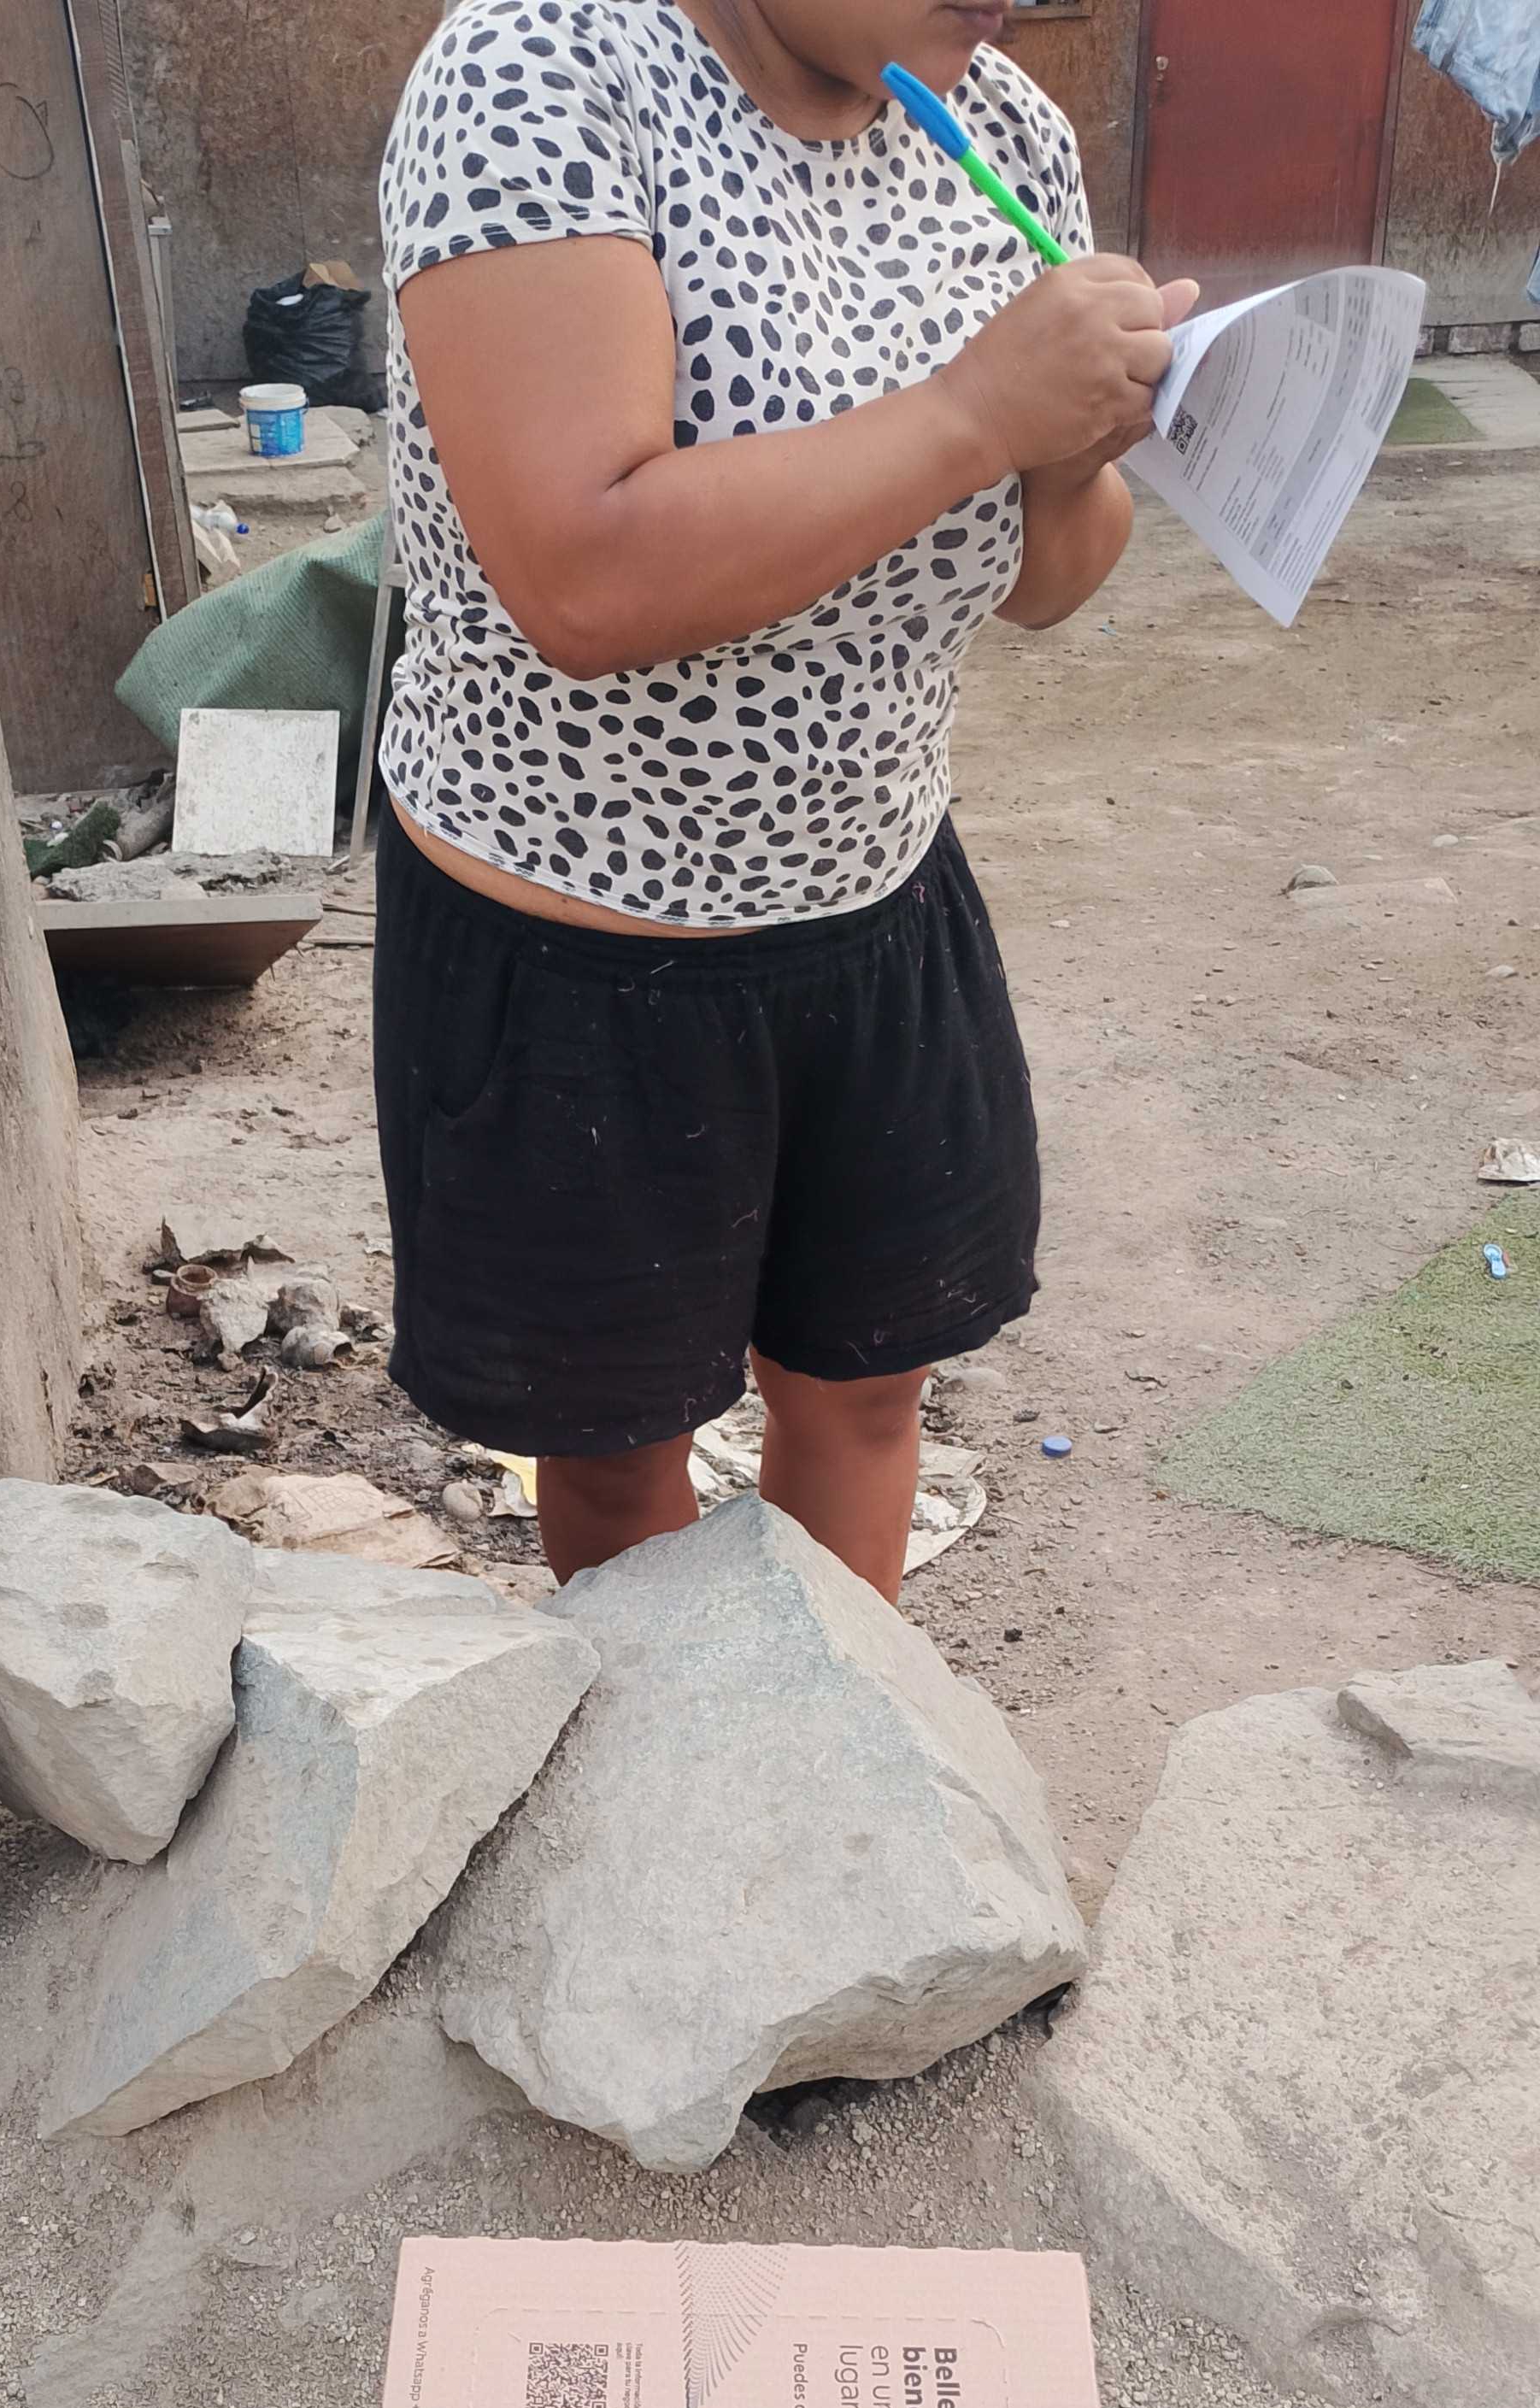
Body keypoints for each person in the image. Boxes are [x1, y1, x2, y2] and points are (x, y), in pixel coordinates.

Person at [372, 0, 1195, 1597]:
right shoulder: (542, 69)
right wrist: (978, 412)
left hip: (874, 893)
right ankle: (664, 1758)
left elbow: (1049, 584)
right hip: (582, 943)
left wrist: (1069, 449)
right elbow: (585, 580)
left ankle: (841, 1731)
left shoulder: (1000, 132)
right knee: (619, 1448)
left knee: (867, 1389)